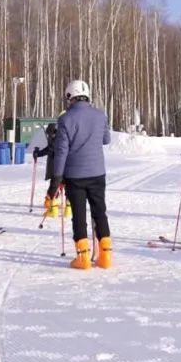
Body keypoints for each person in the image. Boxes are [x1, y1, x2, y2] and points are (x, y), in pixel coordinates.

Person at [50, 81, 112, 269]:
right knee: (100, 212)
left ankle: (83, 258)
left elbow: (61, 152)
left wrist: (56, 178)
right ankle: (105, 256)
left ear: (70, 96)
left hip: (75, 175)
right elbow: (106, 139)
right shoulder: (100, 115)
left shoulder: (66, 119)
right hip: (97, 172)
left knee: (79, 215)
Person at [32, 122, 61, 215]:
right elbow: (49, 148)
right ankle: (54, 204)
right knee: (57, 185)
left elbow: (50, 149)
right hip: (58, 165)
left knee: (55, 185)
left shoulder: (58, 139)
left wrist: (39, 153)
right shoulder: (54, 137)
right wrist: (38, 153)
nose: (49, 135)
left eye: (50, 134)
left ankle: (52, 208)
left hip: (58, 165)